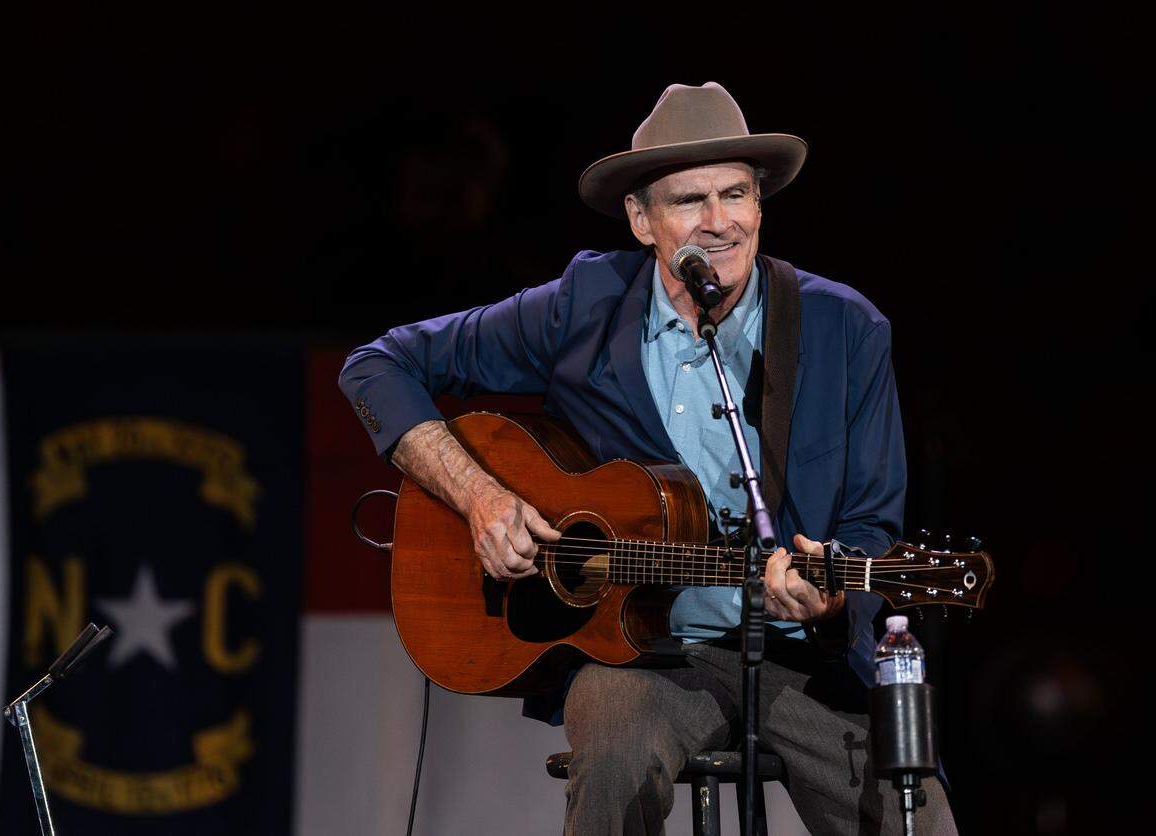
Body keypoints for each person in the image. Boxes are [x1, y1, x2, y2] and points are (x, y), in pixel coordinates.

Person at [340, 82, 957, 835]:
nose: (720, 221)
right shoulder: (582, 306)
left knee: (915, 821)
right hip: (644, 660)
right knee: (617, 758)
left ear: (761, 205)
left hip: (810, 665)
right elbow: (376, 366)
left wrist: (832, 599)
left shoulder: (845, 329)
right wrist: (479, 497)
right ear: (642, 219)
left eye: (736, 193)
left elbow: (872, 525)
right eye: (689, 200)